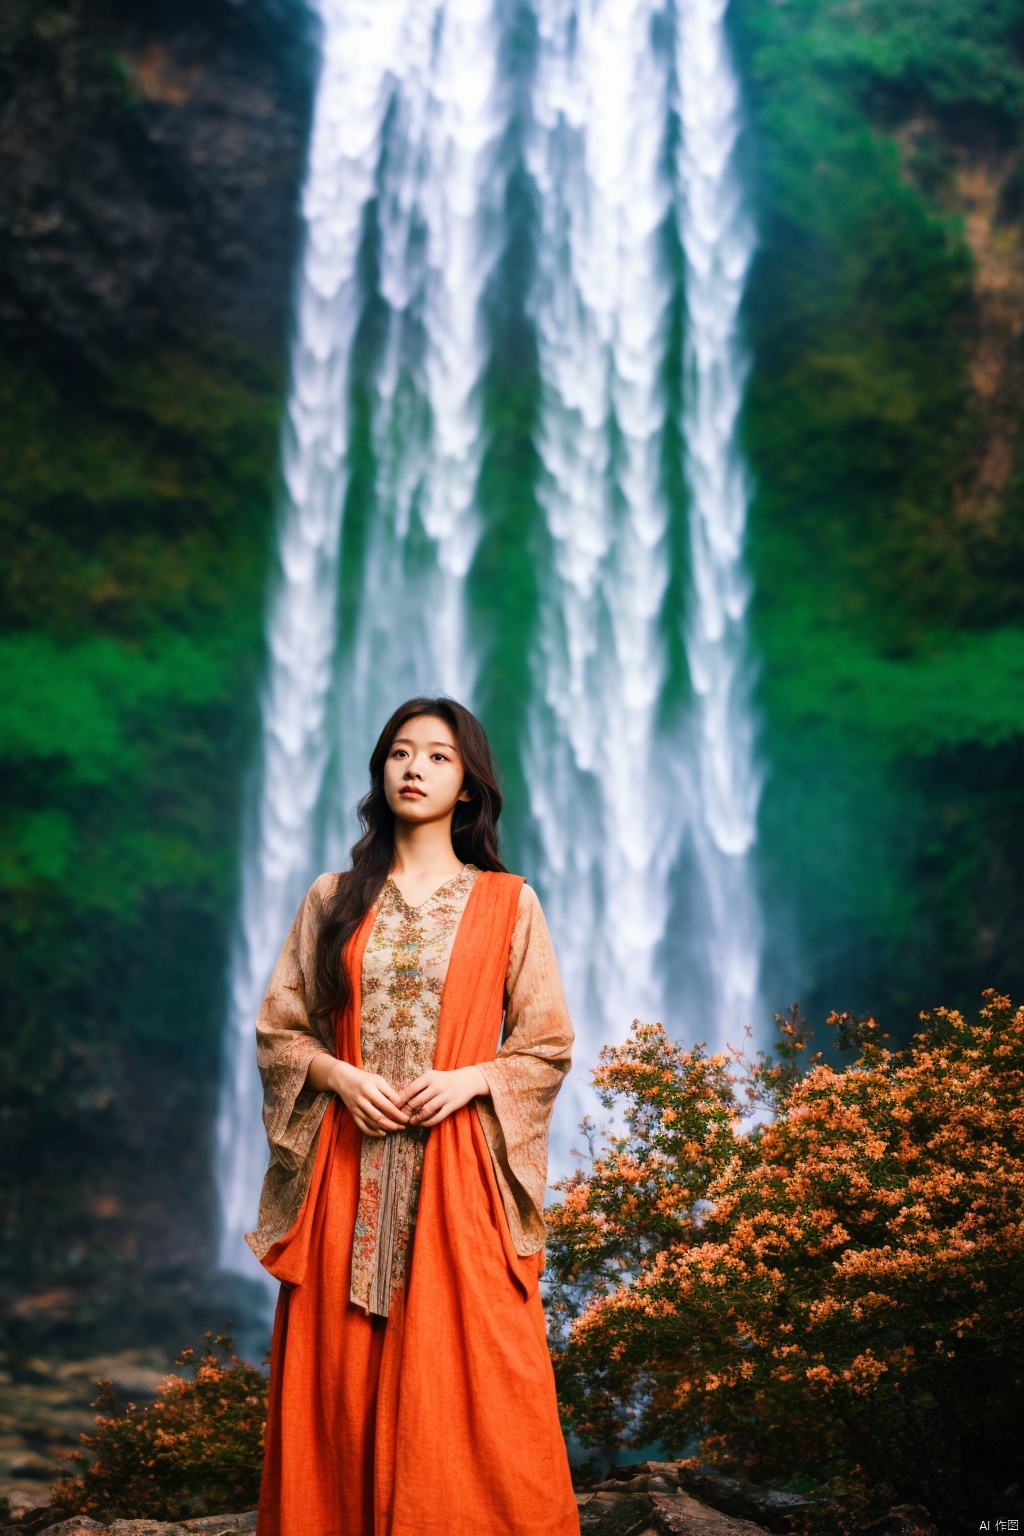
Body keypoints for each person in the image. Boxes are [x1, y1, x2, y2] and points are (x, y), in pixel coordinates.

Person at [248, 696, 580, 1536]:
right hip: (343, 1175)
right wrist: (338, 1075)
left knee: (477, 1370)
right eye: (400, 752)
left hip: (460, 1174)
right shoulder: (332, 897)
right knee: (334, 1371)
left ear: (468, 786)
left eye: (437, 756)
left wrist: (471, 1080)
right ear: (380, 770)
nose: (414, 768)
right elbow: (280, 1030)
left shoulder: (510, 903)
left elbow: (545, 1046)